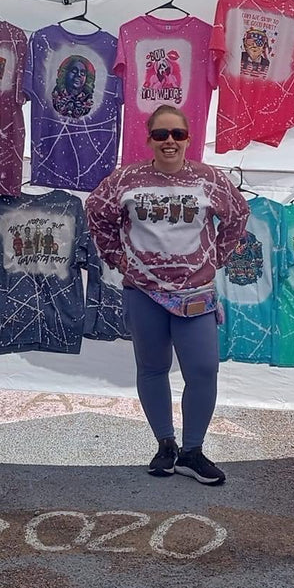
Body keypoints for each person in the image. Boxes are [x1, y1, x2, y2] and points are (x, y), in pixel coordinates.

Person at [87, 104, 249, 484]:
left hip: (195, 293)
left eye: (177, 134)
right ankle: (165, 445)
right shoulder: (125, 180)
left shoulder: (211, 180)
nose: (170, 142)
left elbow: (238, 217)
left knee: (204, 369)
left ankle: (193, 451)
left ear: (189, 138)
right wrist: (118, 258)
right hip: (143, 293)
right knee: (153, 368)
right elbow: (95, 212)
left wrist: (214, 259)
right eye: (161, 135)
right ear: (149, 139)